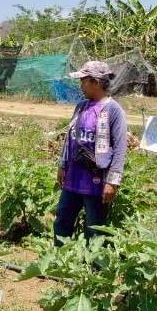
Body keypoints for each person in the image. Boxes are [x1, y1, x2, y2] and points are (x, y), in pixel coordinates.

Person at [54, 61, 128, 245]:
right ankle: (60, 260)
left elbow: (120, 148)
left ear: (95, 82)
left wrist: (112, 182)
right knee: (62, 220)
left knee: (94, 228)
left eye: (84, 81)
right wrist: (62, 165)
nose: (81, 85)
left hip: (96, 181)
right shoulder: (81, 106)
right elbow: (69, 138)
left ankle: (94, 268)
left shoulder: (113, 110)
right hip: (73, 178)